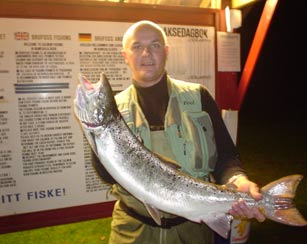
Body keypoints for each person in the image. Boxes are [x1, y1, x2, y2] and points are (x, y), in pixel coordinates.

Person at [94, 20, 265, 244]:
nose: (146, 53)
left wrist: (238, 179)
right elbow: (106, 175)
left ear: (166, 52)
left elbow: (226, 155)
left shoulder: (199, 97)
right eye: (137, 46)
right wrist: (99, 136)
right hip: (132, 233)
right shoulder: (113, 110)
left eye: (155, 45)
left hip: (193, 232)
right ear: (125, 55)